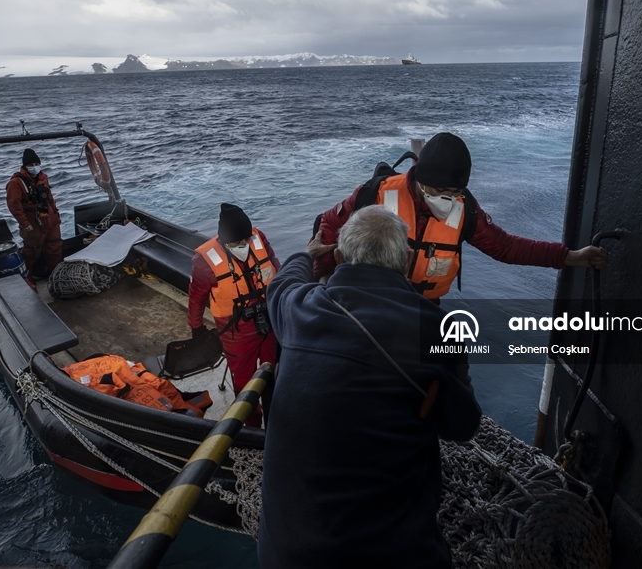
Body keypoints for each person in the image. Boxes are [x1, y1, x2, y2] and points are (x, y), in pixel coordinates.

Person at [259, 206, 482, 569]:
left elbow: (282, 284)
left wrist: (307, 252)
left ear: (340, 257)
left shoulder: (300, 308)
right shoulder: (439, 329)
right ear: (408, 261)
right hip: (386, 555)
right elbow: (461, 427)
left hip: (284, 555)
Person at [314, 132, 607, 302]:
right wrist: (325, 280)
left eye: (454, 191)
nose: (447, 199)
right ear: (419, 179)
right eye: (440, 190)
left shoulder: (464, 208)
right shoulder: (373, 194)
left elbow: (506, 247)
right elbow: (328, 226)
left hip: (423, 311)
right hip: (365, 303)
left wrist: (568, 256)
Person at [188, 203, 280, 427]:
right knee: (244, 382)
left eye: (246, 241)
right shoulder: (204, 261)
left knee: (275, 371)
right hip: (236, 331)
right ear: (223, 240)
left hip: (268, 320)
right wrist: (196, 328)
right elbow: (196, 298)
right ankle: (252, 423)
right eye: (237, 243)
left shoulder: (258, 238)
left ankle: (276, 416)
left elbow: (277, 268)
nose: (244, 246)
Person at [6, 148, 62, 279]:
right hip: (32, 222)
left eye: (36, 164)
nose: (34, 167)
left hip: (50, 219)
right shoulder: (15, 183)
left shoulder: (43, 178)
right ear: (25, 166)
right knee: (32, 251)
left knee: (55, 246)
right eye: (31, 165)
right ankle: (27, 278)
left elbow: (50, 198)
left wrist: (56, 215)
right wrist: (25, 223)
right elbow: (14, 205)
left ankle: (58, 275)